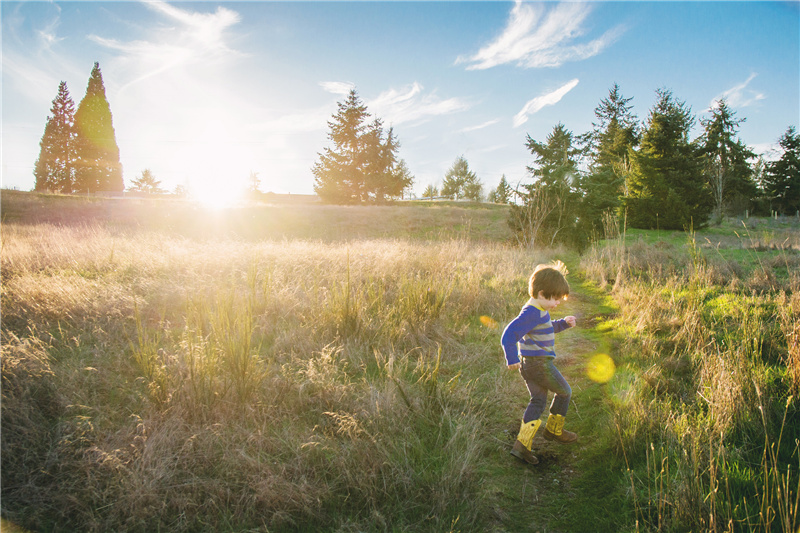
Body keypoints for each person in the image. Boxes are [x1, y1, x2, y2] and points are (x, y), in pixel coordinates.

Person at [501, 262, 577, 465]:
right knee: (565, 392)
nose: (558, 303)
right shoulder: (531, 313)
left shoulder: (538, 311)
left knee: (538, 401)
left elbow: (545, 327)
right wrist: (511, 358)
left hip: (531, 365)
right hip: (539, 365)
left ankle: (521, 447)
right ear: (542, 293)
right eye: (556, 299)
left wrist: (562, 323)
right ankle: (553, 430)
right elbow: (508, 335)